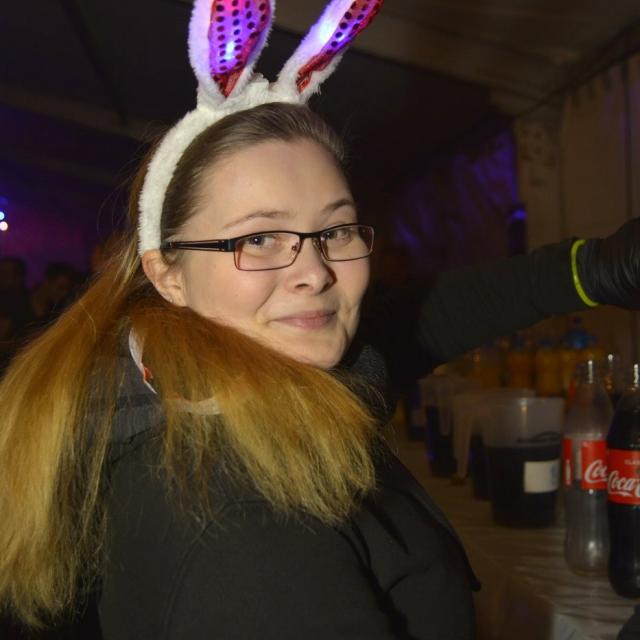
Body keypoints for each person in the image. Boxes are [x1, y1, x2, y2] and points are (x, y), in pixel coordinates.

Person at [0, 1, 639, 638]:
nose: (316, 271)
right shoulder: (239, 529)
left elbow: (427, 316)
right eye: (258, 239)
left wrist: (596, 269)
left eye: (335, 230)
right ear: (168, 274)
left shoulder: (221, 377)